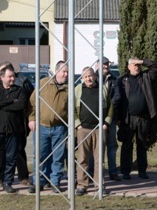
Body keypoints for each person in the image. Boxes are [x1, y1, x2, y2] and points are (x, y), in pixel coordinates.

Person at [0, 66, 29, 194]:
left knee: (11, 158)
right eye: (9, 76)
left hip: (14, 130)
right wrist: (11, 101)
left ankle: (8, 182)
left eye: (13, 76)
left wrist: (4, 104)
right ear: (2, 77)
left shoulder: (20, 90)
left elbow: (20, 105)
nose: (12, 78)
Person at [115, 57, 157, 180]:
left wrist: (142, 61)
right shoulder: (122, 80)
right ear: (128, 66)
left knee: (142, 144)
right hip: (128, 119)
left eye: (138, 65)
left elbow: (156, 67)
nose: (137, 67)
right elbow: (117, 101)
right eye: (134, 65)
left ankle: (142, 171)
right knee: (126, 145)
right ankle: (125, 171)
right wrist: (118, 118)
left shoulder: (146, 77)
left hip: (143, 118)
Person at [28, 61, 68, 193]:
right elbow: (32, 102)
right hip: (41, 127)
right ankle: (38, 181)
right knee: (40, 155)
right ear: (57, 72)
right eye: (64, 72)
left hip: (60, 128)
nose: (66, 74)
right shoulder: (43, 83)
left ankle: (55, 182)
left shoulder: (69, 88)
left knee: (58, 156)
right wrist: (32, 118)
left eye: (67, 72)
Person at [0, 61, 33, 187]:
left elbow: (26, 102)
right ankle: (0, 178)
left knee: (19, 150)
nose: (0, 75)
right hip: (1, 123)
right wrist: (11, 102)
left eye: (2, 72)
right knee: (0, 152)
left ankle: (23, 176)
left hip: (19, 122)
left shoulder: (23, 81)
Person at [74, 67, 113, 196]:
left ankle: (99, 185)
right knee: (82, 159)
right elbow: (72, 108)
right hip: (83, 129)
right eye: (85, 77)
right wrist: (77, 125)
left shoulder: (102, 89)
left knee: (99, 159)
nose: (88, 79)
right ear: (82, 78)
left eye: (90, 76)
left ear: (95, 76)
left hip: (99, 130)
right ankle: (82, 185)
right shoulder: (78, 90)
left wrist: (106, 122)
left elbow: (111, 106)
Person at [89, 57, 120, 181]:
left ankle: (113, 172)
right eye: (103, 64)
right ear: (97, 65)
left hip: (110, 118)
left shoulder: (114, 80)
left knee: (112, 146)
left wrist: (108, 109)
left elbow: (117, 98)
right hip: (95, 119)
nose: (106, 66)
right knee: (94, 147)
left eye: (107, 64)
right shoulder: (92, 78)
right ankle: (92, 172)